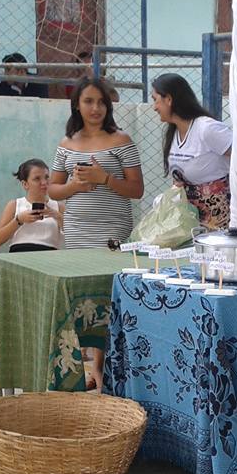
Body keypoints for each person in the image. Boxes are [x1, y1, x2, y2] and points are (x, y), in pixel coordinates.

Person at [49, 77, 143, 388]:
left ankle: (101, 370)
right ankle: (85, 369)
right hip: (77, 229)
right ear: (77, 104)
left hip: (112, 228)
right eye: (89, 101)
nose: (96, 108)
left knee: (106, 295)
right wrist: (74, 186)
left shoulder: (121, 140)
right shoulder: (67, 144)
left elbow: (136, 189)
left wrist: (105, 179)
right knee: (82, 296)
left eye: (102, 102)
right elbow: (53, 190)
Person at [151, 73, 232, 230]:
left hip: (219, 219)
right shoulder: (174, 132)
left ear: (169, 99)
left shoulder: (206, 129)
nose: (154, 107)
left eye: (155, 99)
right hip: (189, 218)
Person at [0, 159, 63, 252]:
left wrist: (58, 217)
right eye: (37, 179)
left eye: (46, 177)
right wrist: (19, 220)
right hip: (19, 255)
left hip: (49, 256)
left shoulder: (58, 207)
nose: (44, 182)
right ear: (25, 184)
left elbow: (74, 237)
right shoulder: (14, 205)